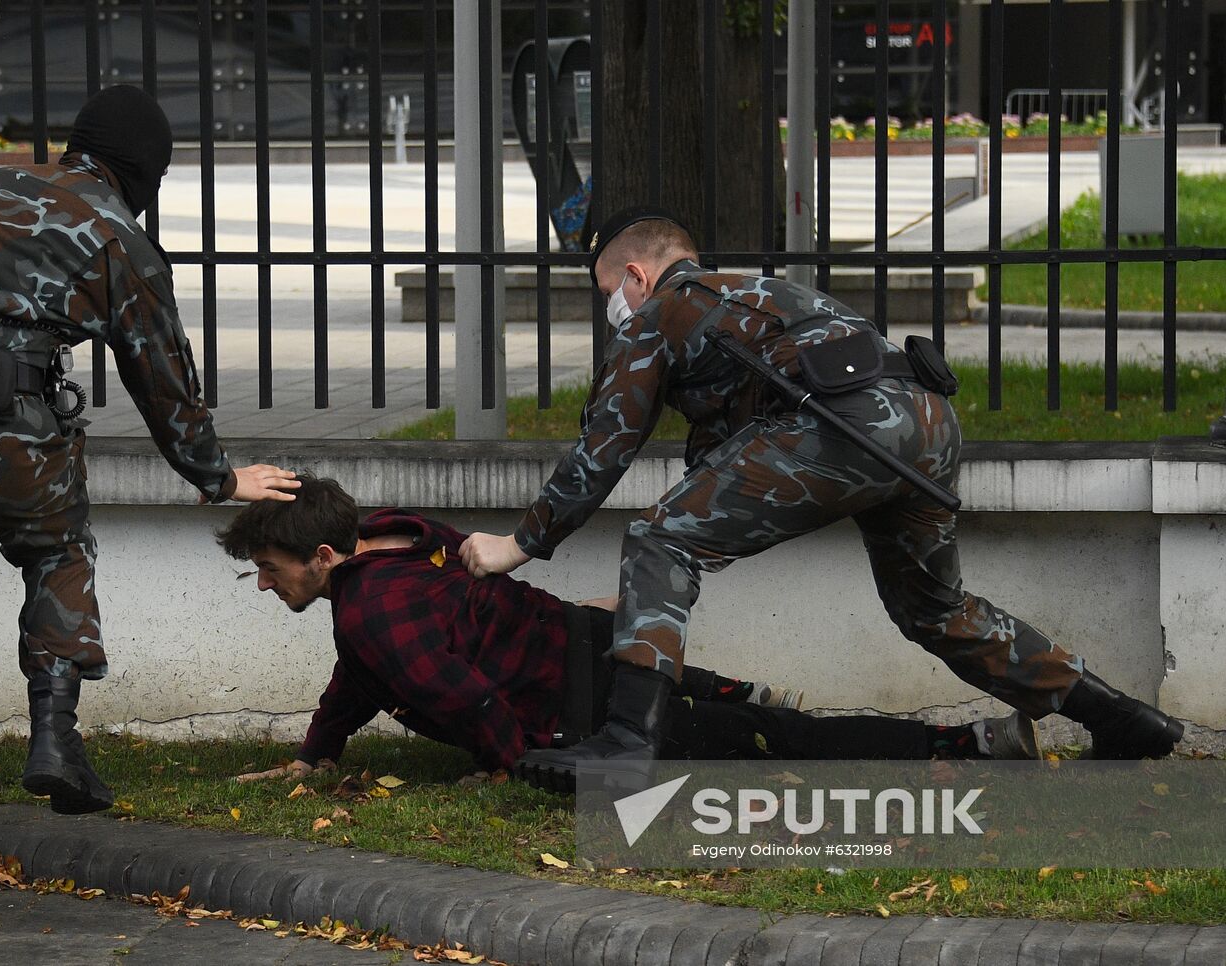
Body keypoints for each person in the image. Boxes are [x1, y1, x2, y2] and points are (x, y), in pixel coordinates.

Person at [455, 206, 1182, 791]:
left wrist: (518, 545)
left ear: (638, 275)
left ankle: (625, 744)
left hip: (842, 427)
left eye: (607, 290)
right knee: (935, 610)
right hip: (923, 419)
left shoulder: (663, 311)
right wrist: (648, 604)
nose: (611, 307)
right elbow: (716, 471)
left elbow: (604, 448)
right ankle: (1122, 719)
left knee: (655, 539)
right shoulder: (750, 295)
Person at [0, 85, 299, 940]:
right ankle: (54, 733)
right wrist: (218, 477)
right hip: (7, 435)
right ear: (144, 177)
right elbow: (162, 379)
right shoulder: (117, 237)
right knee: (59, 550)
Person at [215, 477, 1040, 789]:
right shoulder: (396, 532)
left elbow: (457, 693)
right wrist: (317, 752)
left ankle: (972, 746)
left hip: (585, 703)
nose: (264, 583)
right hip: (582, 637)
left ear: (323, 555)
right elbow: (360, 678)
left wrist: (517, 766)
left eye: (268, 567)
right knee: (743, 717)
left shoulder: (367, 612)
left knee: (771, 739)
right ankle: (724, 690)